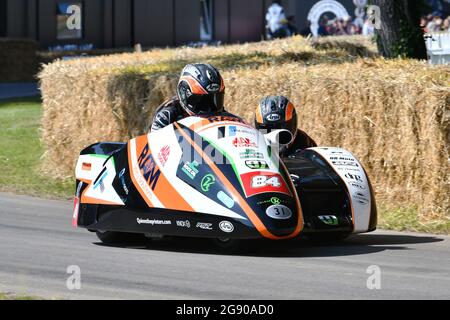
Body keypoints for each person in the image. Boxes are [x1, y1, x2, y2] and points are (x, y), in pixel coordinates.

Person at [151, 63, 227, 131]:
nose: (209, 108)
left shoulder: (220, 113)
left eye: (214, 99)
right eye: (202, 101)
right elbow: (153, 143)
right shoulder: (167, 116)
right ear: (185, 94)